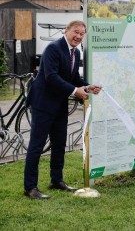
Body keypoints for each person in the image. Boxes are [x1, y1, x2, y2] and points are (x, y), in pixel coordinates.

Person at [24, 20, 103, 199]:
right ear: (66, 31)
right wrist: (76, 91)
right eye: (76, 32)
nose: (78, 36)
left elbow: (73, 77)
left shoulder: (76, 52)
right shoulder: (53, 48)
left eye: (82, 34)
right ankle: (30, 188)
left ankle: (56, 180)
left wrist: (88, 87)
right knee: (36, 145)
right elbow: (51, 76)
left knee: (59, 143)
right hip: (43, 104)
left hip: (59, 104)